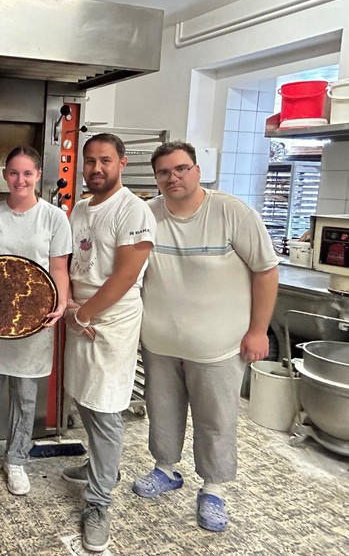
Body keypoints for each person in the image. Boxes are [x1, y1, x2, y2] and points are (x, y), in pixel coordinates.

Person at [132, 141, 278, 532]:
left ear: (198, 170)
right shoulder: (146, 214)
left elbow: (265, 271)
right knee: (162, 412)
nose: (172, 177)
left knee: (215, 420)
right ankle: (165, 469)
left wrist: (258, 330)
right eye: (164, 172)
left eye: (181, 169)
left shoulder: (232, 213)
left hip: (218, 346)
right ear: (156, 178)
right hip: (160, 342)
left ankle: (213, 489)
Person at [61, 132, 155, 553]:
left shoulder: (134, 210)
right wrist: (68, 307)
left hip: (109, 321)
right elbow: (70, 260)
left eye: (105, 161)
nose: (96, 169)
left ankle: (99, 503)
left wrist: (82, 314)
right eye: (90, 161)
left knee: (106, 409)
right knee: (84, 397)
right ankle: (103, 466)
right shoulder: (80, 207)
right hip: (79, 315)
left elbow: (123, 276)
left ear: (122, 163)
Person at [0, 146, 71, 496]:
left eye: (27, 173)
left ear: (38, 175)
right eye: (14, 173)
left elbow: (58, 268)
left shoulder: (54, 218)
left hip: (34, 317)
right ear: (4, 175)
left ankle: (17, 459)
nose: (20, 180)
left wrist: (61, 303)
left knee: (26, 395)